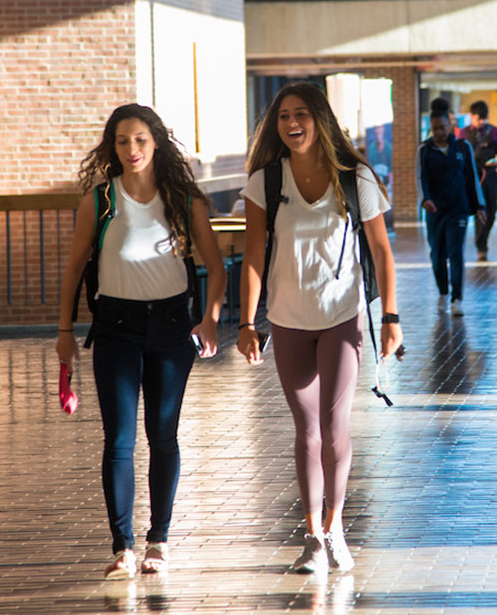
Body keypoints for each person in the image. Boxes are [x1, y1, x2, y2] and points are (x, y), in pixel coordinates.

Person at [237, 83, 402, 574]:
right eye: (284, 115)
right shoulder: (266, 182)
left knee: (334, 426)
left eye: (302, 114)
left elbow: (382, 251)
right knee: (306, 430)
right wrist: (246, 322)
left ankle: (335, 529)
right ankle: (312, 536)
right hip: (287, 319)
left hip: (342, 318)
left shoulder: (356, 180)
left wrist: (390, 318)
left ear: (320, 119)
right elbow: (251, 255)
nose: (292, 123)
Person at [56, 104, 226, 579]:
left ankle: (160, 540)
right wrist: (65, 331)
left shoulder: (183, 200)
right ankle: (122, 546)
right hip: (115, 327)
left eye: (141, 140)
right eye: (123, 141)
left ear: (157, 144)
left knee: (164, 435)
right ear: (113, 147)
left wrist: (209, 320)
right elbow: (73, 269)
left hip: (173, 327)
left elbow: (215, 268)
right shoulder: (101, 200)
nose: (132, 149)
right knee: (119, 440)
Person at [418, 108, 487, 317]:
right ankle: (443, 292)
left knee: (456, 252)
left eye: (443, 127)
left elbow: (472, 177)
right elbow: (420, 178)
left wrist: (479, 206)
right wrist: (425, 199)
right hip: (435, 210)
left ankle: (457, 299)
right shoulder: (424, 149)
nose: (439, 132)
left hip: (458, 208)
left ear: (450, 126)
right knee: (437, 255)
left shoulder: (462, 147)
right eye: (435, 128)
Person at [461, 100, 497, 261]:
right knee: (479, 210)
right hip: (473, 179)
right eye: (479, 118)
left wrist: (496, 162)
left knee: (492, 211)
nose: (482, 122)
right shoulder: (464, 134)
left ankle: (482, 240)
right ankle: (481, 245)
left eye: (484, 119)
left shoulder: (494, 132)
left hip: (491, 176)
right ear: (471, 116)